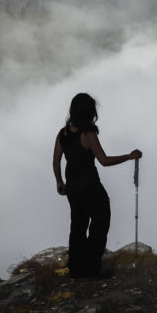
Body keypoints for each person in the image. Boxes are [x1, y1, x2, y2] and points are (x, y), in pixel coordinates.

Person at [53, 93, 142, 278]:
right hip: (90, 185)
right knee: (101, 220)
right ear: (89, 111)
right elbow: (104, 161)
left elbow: (56, 159)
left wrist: (60, 181)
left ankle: (76, 269)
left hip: (72, 186)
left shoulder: (63, 133)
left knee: (78, 224)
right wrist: (129, 156)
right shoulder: (88, 134)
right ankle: (92, 268)